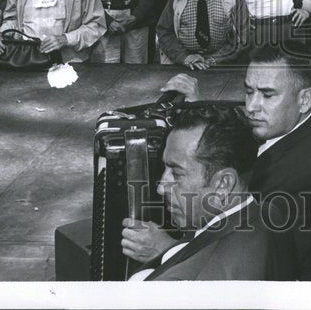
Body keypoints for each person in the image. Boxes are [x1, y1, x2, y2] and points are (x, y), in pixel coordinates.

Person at [135, 45, 311, 280]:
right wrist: (199, 104)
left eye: (267, 95)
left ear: (305, 99)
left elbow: (267, 261)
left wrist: (168, 249)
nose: (252, 106)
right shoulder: (295, 128)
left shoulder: (307, 173)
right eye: (249, 92)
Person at [126, 103, 294, 281]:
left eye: (177, 173)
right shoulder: (270, 214)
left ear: (223, 184)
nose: (161, 188)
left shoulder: (182, 286)